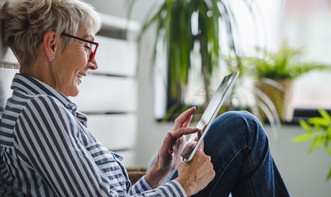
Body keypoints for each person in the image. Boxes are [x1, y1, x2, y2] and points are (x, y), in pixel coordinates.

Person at [0, 0, 289, 196]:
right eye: (89, 46)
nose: (94, 63)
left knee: (231, 131)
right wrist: (185, 184)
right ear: (51, 44)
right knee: (242, 129)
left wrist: (157, 172)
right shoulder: (38, 111)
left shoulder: (44, 108)